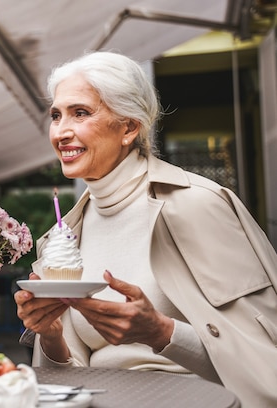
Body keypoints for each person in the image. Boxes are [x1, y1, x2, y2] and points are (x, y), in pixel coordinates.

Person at [14, 51, 277, 407]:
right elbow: (68, 381)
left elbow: (265, 361)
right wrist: (50, 336)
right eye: (56, 116)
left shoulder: (197, 205)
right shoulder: (63, 235)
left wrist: (162, 332)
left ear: (129, 128)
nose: (61, 132)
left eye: (81, 113)